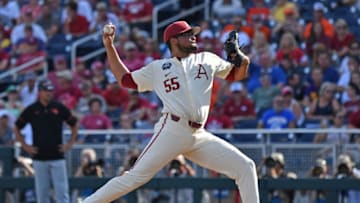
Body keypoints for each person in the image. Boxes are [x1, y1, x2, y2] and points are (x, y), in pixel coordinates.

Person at [83, 20, 259, 202]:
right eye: (187, 34)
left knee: (246, 166)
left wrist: (243, 60)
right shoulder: (158, 68)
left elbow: (235, 75)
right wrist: (109, 46)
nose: (193, 37)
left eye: (193, 33)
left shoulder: (207, 58)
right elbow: (125, 80)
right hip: (172, 130)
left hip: (199, 135)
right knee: (133, 178)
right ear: (173, 41)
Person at [13, 79, 79, 203]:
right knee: (42, 194)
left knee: (62, 194)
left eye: (50, 90)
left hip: (57, 156)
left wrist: (69, 144)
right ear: (39, 92)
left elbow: (74, 124)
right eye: (45, 90)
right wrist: (25, 146)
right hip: (39, 157)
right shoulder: (32, 109)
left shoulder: (59, 107)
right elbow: (17, 127)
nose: (48, 93)